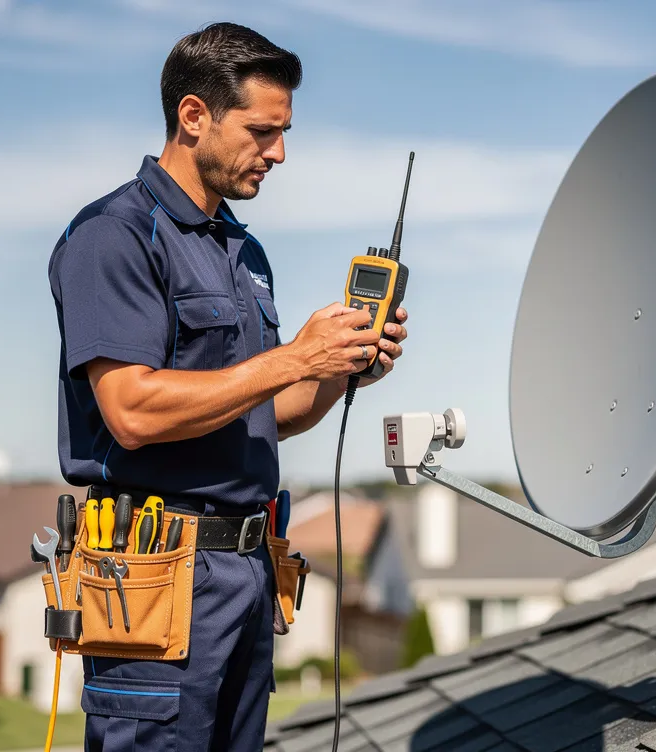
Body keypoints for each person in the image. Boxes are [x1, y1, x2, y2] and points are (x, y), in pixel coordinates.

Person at [46, 21, 408, 751]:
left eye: (284, 133)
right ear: (194, 115)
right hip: (156, 578)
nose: (279, 153)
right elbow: (131, 411)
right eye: (262, 131)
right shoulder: (115, 235)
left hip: (248, 571)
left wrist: (341, 368)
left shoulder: (243, 251)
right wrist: (293, 358)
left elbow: (267, 413)